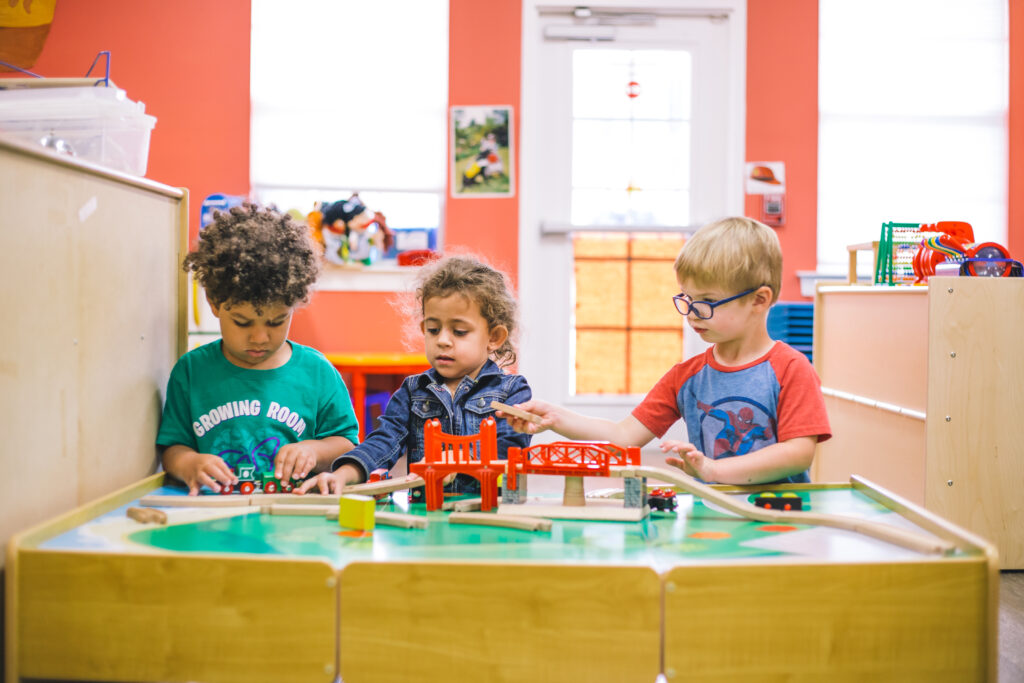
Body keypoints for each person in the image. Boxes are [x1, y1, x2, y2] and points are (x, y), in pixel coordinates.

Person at [499, 216, 831, 486]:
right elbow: (624, 435)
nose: (691, 314)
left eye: (707, 302)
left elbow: (798, 453)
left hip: (782, 514)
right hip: (712, 513)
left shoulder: (791, 369)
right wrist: (557, 418)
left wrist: (714, 470)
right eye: (687, 299)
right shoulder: (686, 377)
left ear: (759, 300)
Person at [157, 203, 360, 495]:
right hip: (214, 511)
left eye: (276, 321)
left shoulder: (317, 372)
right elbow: (172, 447)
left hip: (294, 512)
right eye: (242, 322)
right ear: (214, 303)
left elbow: (346, 444)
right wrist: (189, 463)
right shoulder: (191, 371)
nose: (260, 338)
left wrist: (313, 450)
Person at [298, 254, 531, 494]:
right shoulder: (413, 391)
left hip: (490, 511)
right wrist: (343, 474)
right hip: (427, 511)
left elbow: (510, 449)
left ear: (494, 337)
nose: (442, 340)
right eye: (433, 329)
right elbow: (384, 442)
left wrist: (461, 458)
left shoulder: (512, 391)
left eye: (459, 331)